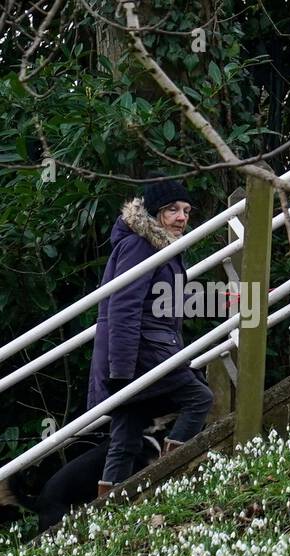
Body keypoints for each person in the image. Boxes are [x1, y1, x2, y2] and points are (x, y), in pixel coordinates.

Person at [87, 178, 213, 498]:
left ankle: (108, 507)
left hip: (141, 352)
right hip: (140, 355)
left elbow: (162, 302)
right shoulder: (140, 245)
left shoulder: (160, 247)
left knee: (127, 434)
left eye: (186, 211)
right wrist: (121, 371)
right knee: (199, 398)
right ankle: (168, 473)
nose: (182, 218)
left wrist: (221, 299)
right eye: (172, 210)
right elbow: (123, 308)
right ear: (155, 213)